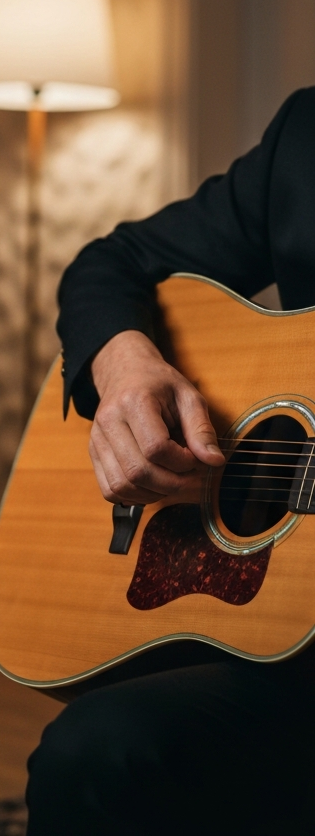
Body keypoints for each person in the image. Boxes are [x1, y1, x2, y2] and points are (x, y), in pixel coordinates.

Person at [24, 87, 315, 836]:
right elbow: (109, 264)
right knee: (91, 751)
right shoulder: (306, 133)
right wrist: (123, 368)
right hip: (290, 638)